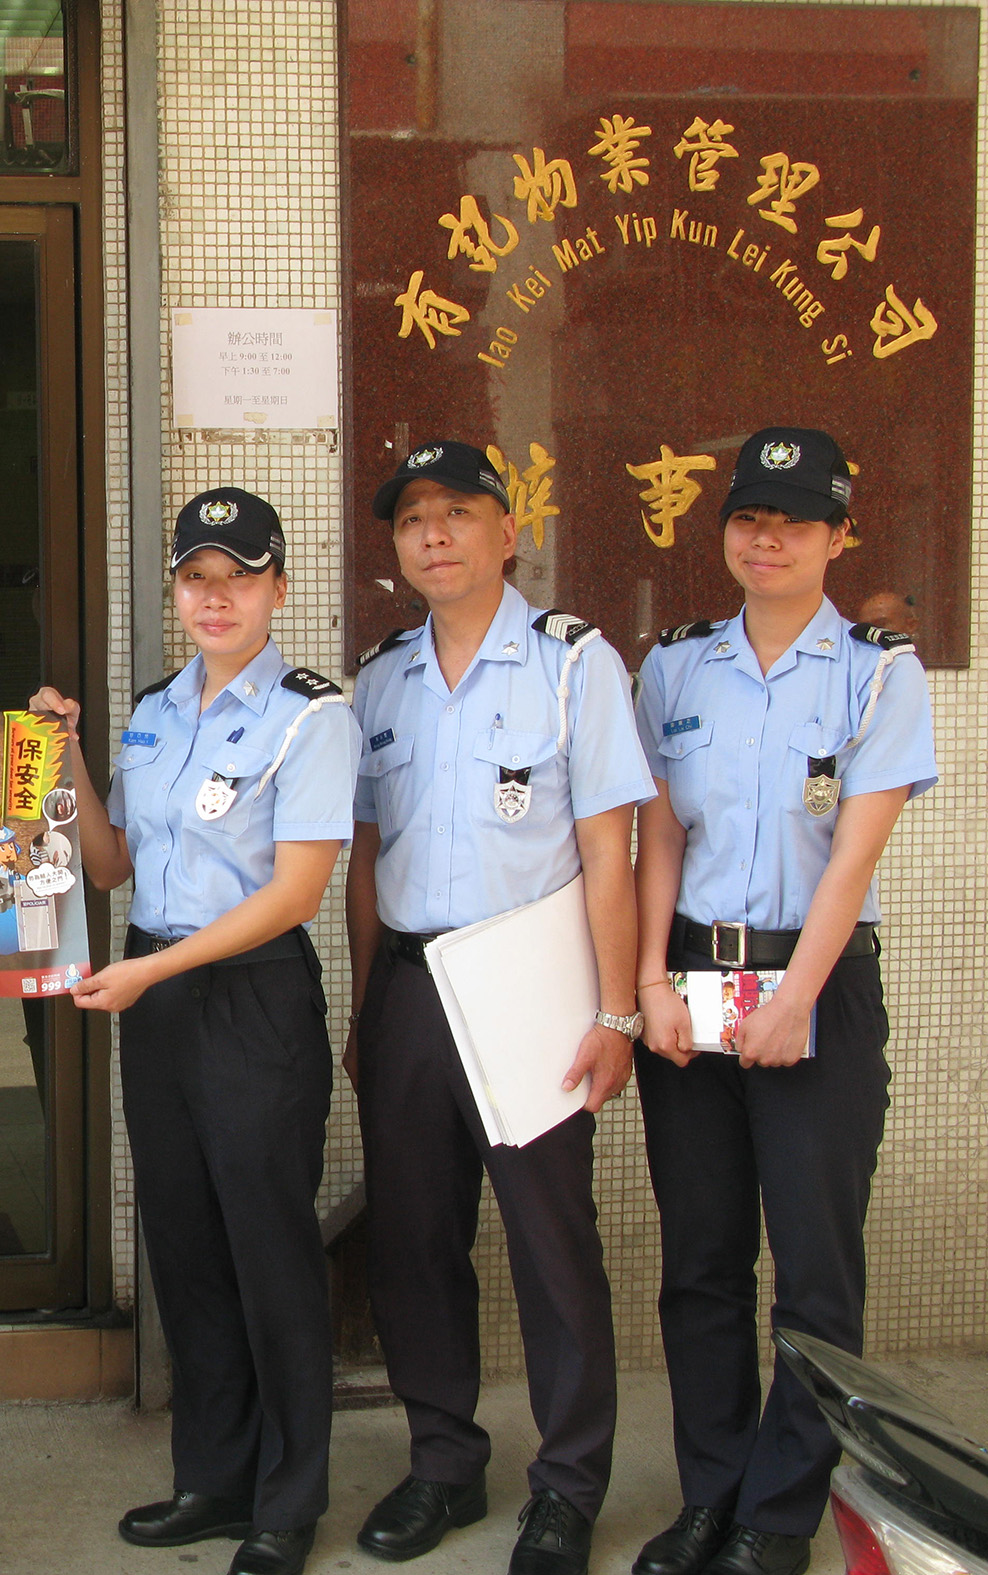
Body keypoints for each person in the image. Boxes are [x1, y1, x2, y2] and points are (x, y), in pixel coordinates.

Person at [627, 429, 937, 1575]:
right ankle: (711, 1491)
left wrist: (797, 996)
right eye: (750, 518)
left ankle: (780, 1513)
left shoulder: (877, 672)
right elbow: (660, 835)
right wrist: (650, 984)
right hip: (692, 990)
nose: (768, 539)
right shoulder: (675, 668)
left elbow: (853, 857)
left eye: (796, 522)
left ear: (839, 537)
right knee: (701, 1264)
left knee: (814, 1271)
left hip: (818, 986)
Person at [33, 487, 357, 1575]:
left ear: (278, 587)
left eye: (239, 577)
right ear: (175, 588)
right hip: (159, 997)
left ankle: (288, 1497)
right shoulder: (154, 712)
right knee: (184, 1241)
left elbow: (295, 894)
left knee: (270, 1248)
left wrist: (150, 971)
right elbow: (112, 863)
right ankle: (214, 1479)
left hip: (249, 996)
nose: (216, 597)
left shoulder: (312, 717)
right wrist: (65, 760)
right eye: (196, 577)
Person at [345, 441, 653, 1575]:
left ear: (508, 531)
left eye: (458, 512)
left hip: (532, 988)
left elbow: (610, 852)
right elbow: (367, 855)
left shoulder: (576, 664)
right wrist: (365, 1006)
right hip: (410, 989)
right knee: (414, 1239)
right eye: (412, 518)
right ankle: (444, 1462)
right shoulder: (381, 680)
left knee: (550, 1245)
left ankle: (568, 1487)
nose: (434, 534)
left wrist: (616, 1012)